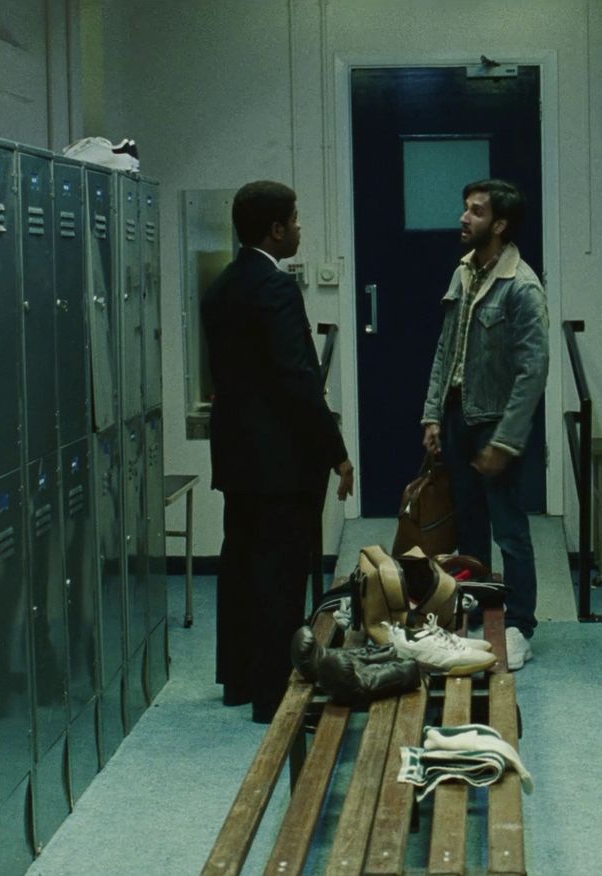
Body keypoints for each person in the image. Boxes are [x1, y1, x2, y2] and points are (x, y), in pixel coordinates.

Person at [202, 180, 354, 722]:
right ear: (274, 229)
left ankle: (240, 681)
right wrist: (336, 451)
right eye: (294, 219)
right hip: (282, 467)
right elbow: (298, 380)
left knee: (240, 569)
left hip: (238, 461)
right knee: (280, 580)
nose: (299, 228)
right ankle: (275, 697)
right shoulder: (276, 288)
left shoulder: (221, 287)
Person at [420, 179, 549, 671]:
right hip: (458, 418)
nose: (463, 218)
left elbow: (532, 371)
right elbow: (444, 350)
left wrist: (507, 441)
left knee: (511, 531)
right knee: (468, 528)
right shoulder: (464, 273)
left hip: (496, 426)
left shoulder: (522, 287)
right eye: (465, 209)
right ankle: (474, 616)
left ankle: (519, 626)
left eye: (475, 212)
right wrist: (432, 413)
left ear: (499, 224)